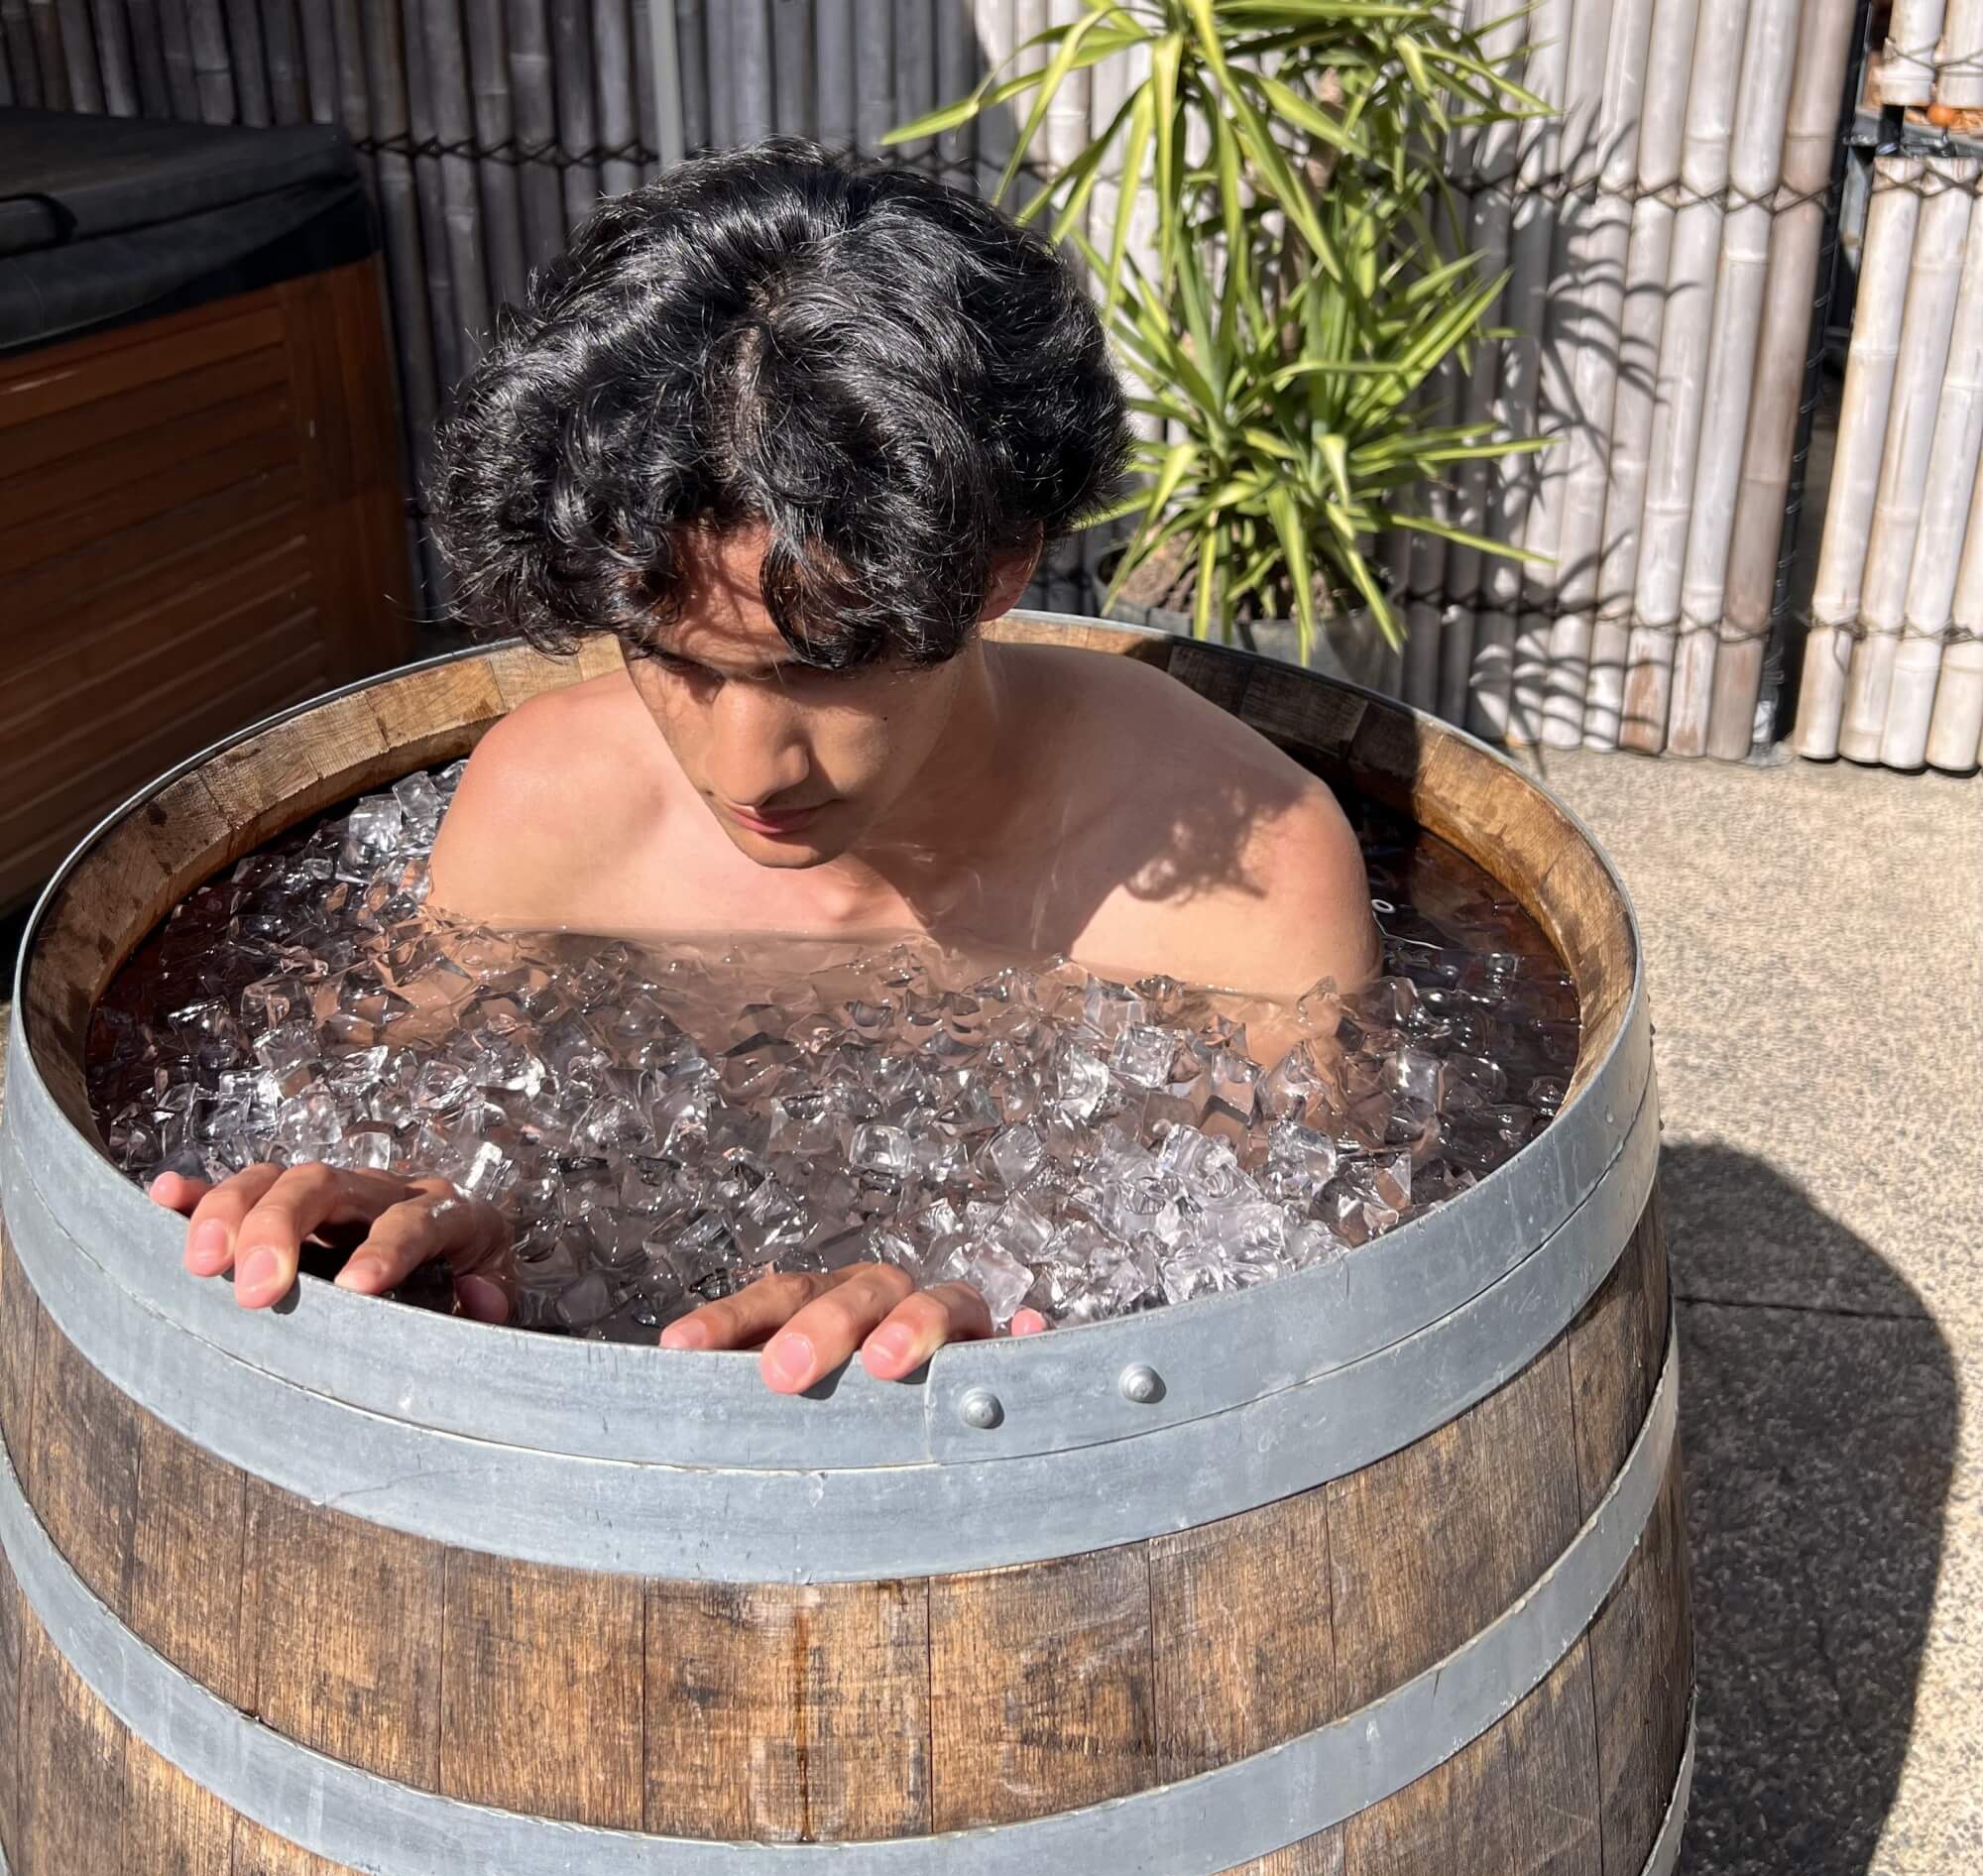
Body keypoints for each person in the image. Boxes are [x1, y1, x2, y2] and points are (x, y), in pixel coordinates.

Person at [149, 138, 1379, 1394]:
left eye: (818, 667)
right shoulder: (545, 810)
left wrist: (1034, 1314)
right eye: (672, 659)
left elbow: (1292, 1304)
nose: (744, 762)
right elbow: (431, 1147)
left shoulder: (1245, 868)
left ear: (997, 565)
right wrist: (417, 1219)